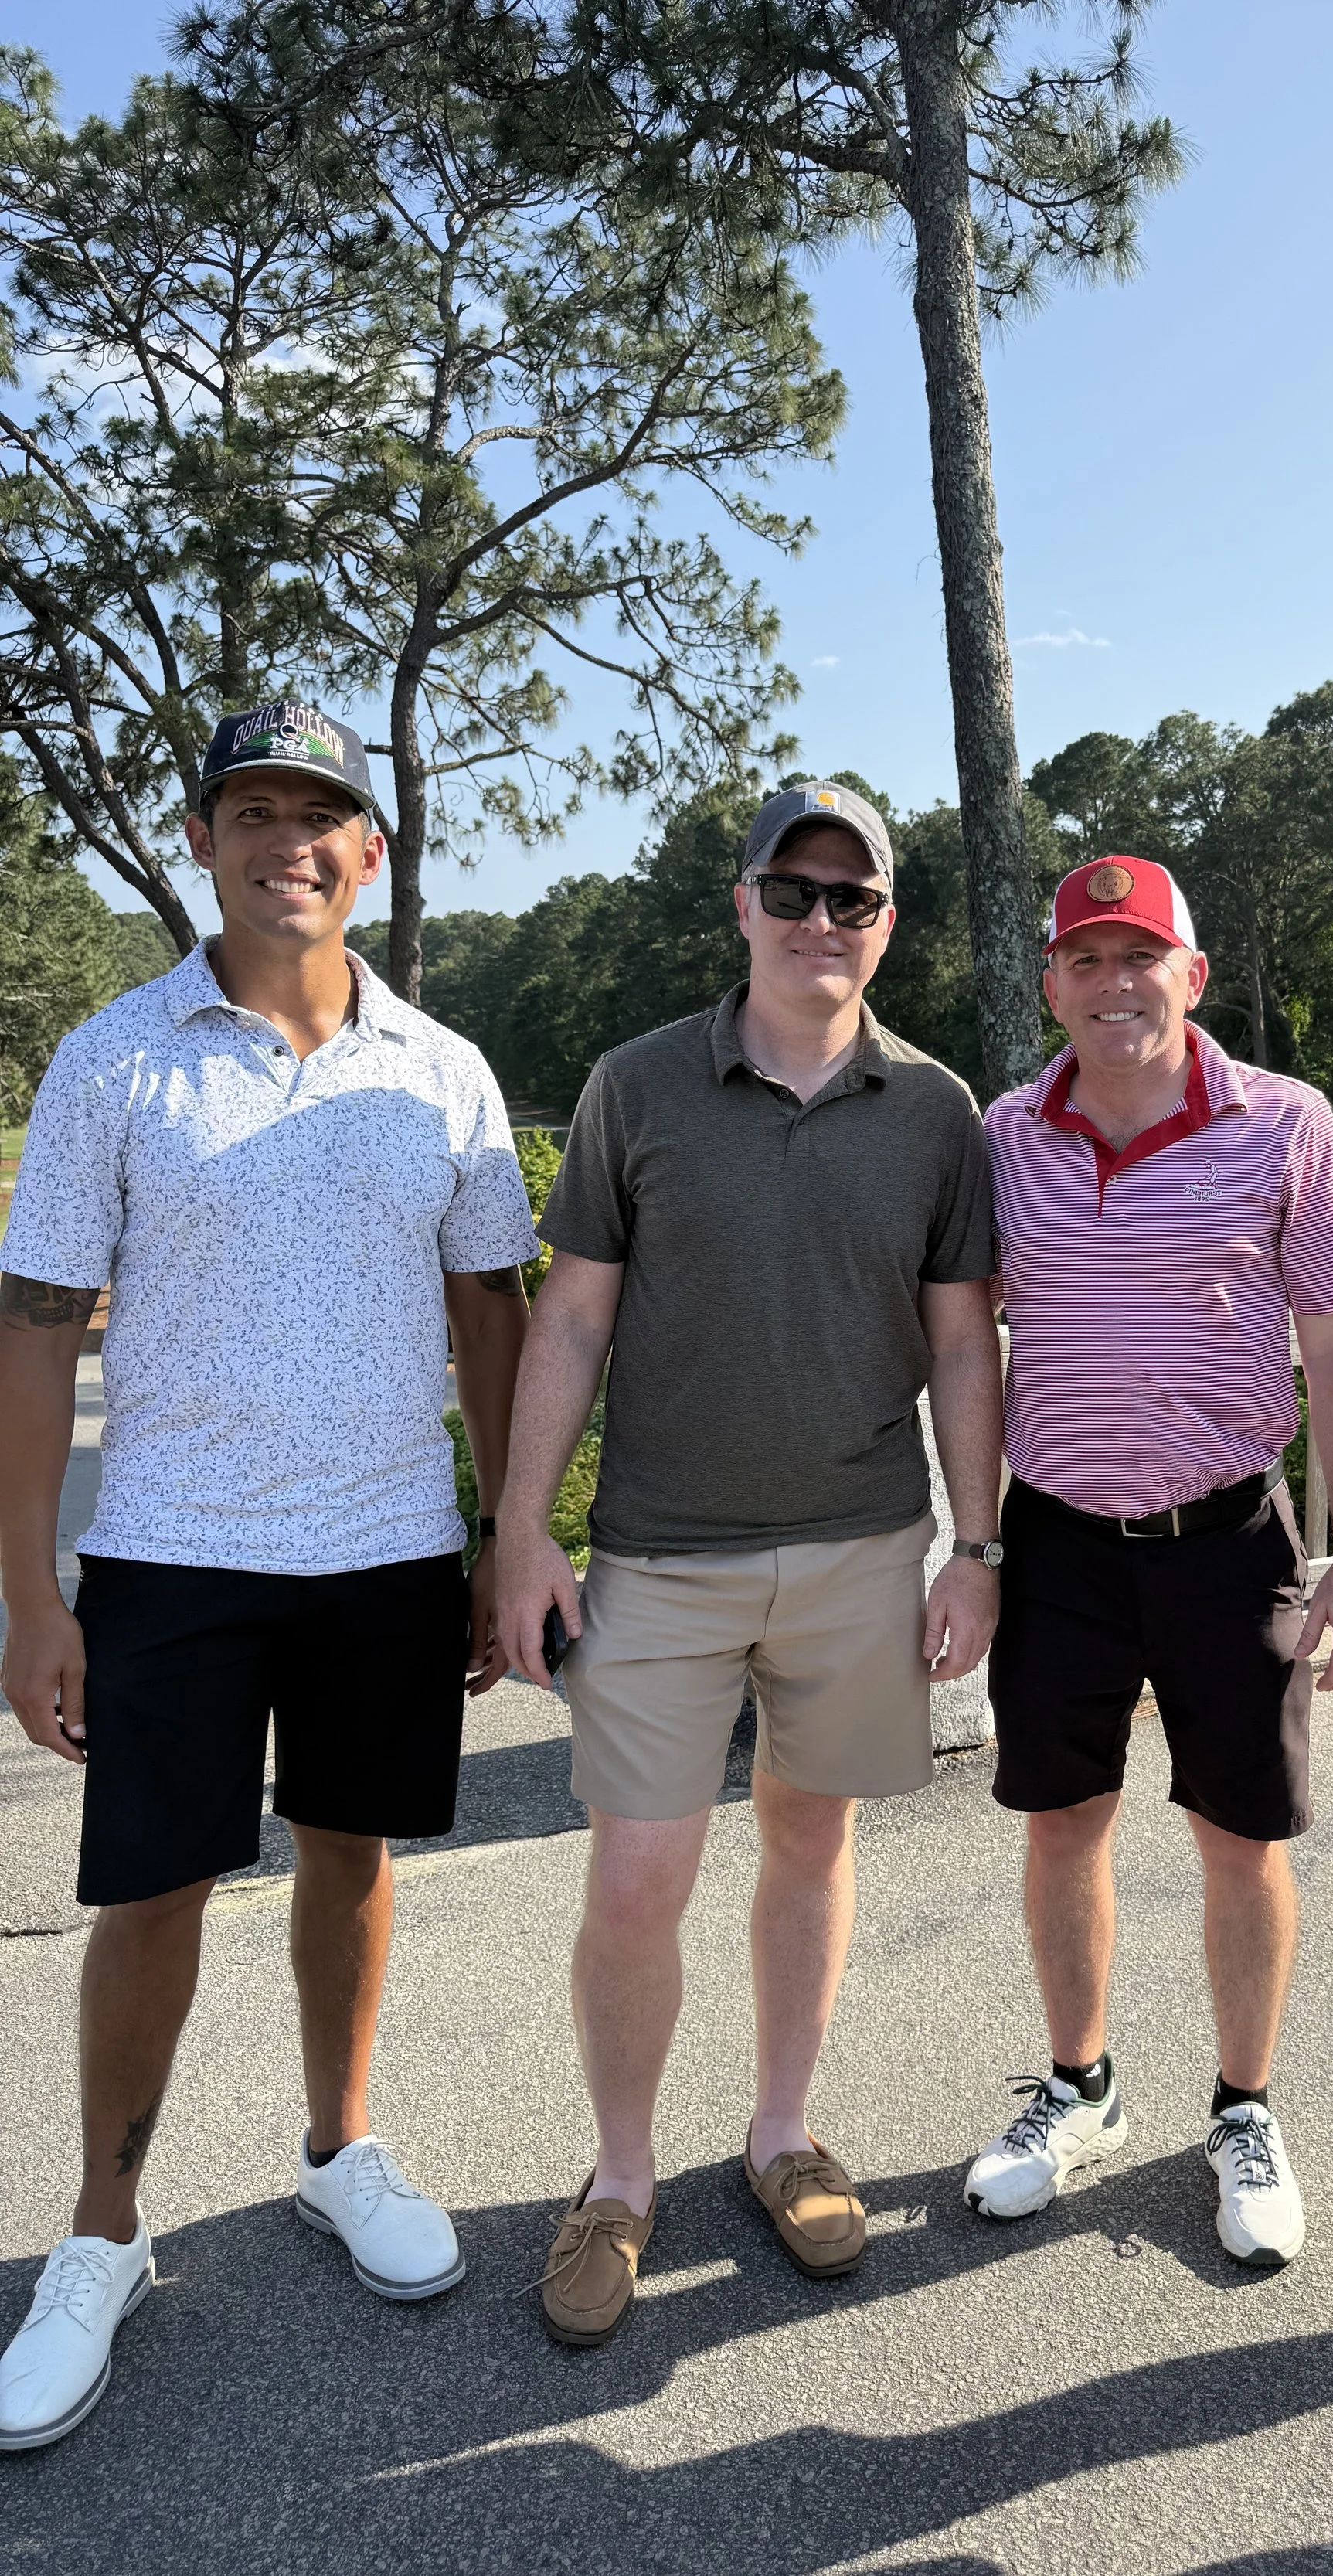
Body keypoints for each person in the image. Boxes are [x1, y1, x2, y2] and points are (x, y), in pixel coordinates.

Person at [0, 701, 538, 2452]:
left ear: (368, 853)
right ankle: (101, 2229)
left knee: (353, 1851)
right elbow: (32, 1333)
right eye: (253, 810)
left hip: (384, 1545)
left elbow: (491, 1314)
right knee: (150, 1889)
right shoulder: (115, 1060)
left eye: (322, 814)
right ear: (207, 840)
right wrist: (31, 1594)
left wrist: (494, 1537)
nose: (286, 840)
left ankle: (335, 2148)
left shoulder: (441, 1068)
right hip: (171, 1547)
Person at [495, 780, 1002, 2347]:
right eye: (793, 890)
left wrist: (975, 1542)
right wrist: (521, 1524)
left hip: (860, 1546)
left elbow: (960, 1343)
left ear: (885, 924)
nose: (819, 922)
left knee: (808, 1844)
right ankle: (622, 2175)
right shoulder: (635, 1085)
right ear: (742, 905)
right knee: (638, 1871)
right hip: (658, 1553)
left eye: (852, 899)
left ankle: (781, 2134)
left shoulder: (934, 1108)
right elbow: (571, 1314)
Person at [962, 855, 1333, 2269]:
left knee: (1241, 1836)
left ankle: (1245, 2107)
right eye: (1085, 959)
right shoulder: (1005, 1133)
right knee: (1063, 1819)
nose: (1114, 982)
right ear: (1052, 985)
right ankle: (1078, 2086)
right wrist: (970, 1543)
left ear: (1190, 977)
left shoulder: (1285, 1123)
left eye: (1140, 955)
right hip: (1062, 1542)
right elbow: (965, 1343)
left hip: (1229, 1542)